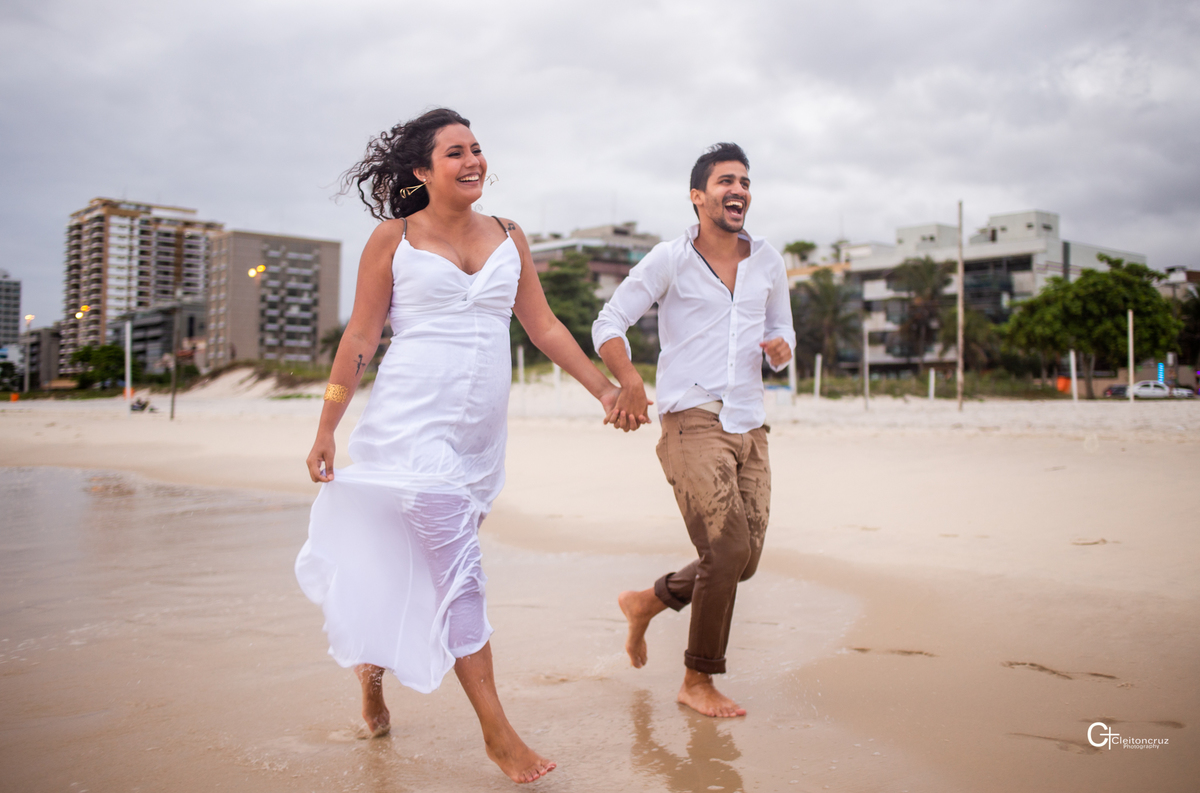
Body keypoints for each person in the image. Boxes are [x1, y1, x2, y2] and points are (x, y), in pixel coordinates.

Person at [295, 108, 622, 783]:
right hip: (412, 432)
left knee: (414, 566)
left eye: (476, 149)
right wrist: (327, 426)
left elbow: (545, 327)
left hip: (479, 442)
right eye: (455, 152)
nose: (473, 161)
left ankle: (371, 676)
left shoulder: (509, 235)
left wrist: (605, 389)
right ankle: (499, 735)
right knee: (462, 578)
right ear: (422, 169)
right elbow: (360, 338)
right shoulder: (395, 238)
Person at [592, 142, 795, 718]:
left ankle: (646, 602)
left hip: (750, 424)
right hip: (691, 420)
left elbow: (783, 328)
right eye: (726, 181)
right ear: (698, 196)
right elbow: (609, 322)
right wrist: (628, 379)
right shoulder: (670, 258)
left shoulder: (768, 260)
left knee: (742, 561)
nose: (739, 190)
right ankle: (697, 680)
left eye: (746, 182)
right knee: (727, 550)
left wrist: (783, 348)